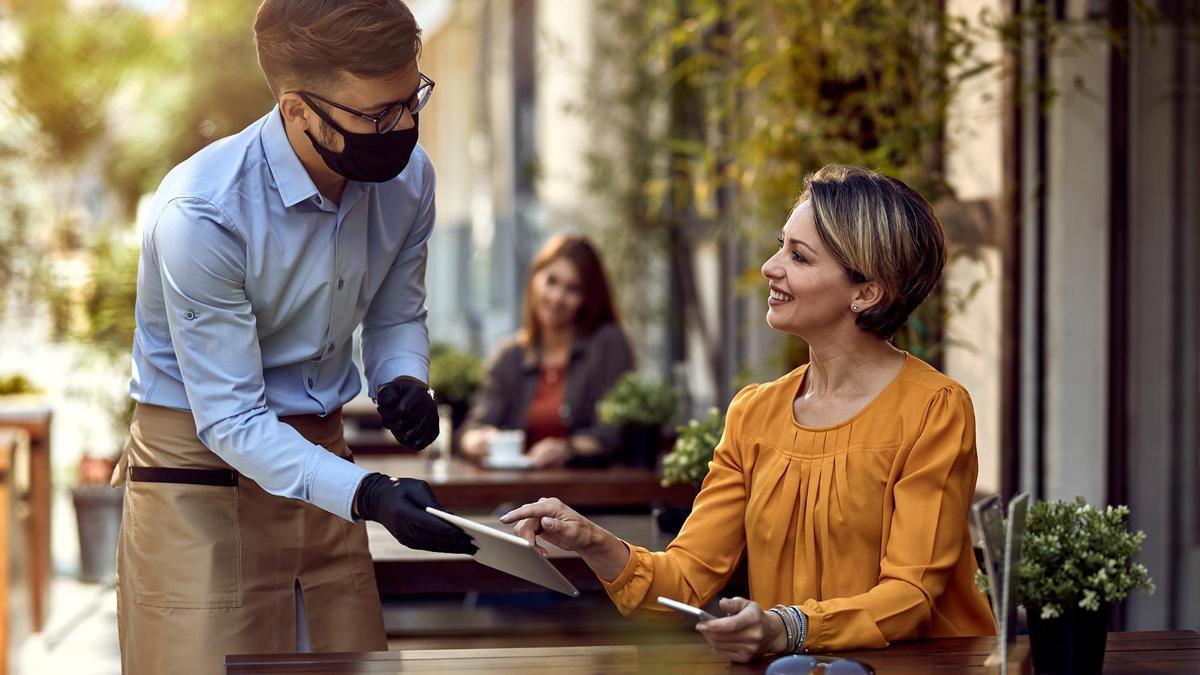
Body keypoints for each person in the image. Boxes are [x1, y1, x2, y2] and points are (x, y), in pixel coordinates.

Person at [500, 165, 997, 662]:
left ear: (866, 292)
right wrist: (591, 540)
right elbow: (687, 579)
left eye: (798, 257)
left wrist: (789, 627)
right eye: (781, 245)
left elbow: (910, 596)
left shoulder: (933, 408)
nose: (769, 266)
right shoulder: (755, 413)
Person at [114, 2, 476, 672]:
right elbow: (229, 416)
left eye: (410, 100)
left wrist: (403, 377)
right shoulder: (201, 213)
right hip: (197, 472)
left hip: (323, 457)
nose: (400, 128)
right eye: (374, 116)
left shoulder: (409, 180)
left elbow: (397, 313)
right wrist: (368, 494)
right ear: (296, 110)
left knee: (350, 662)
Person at [459, 235, 634, 468]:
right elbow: (472, 429)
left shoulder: (608, 345)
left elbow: (613, 434)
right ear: (534, 279)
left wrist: (567, 449)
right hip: (520, 494)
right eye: (551, 281)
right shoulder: (509, 355)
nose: (557, 298)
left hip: (587, 494)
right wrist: (477, 440)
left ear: (588, 297)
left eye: (573, 289)